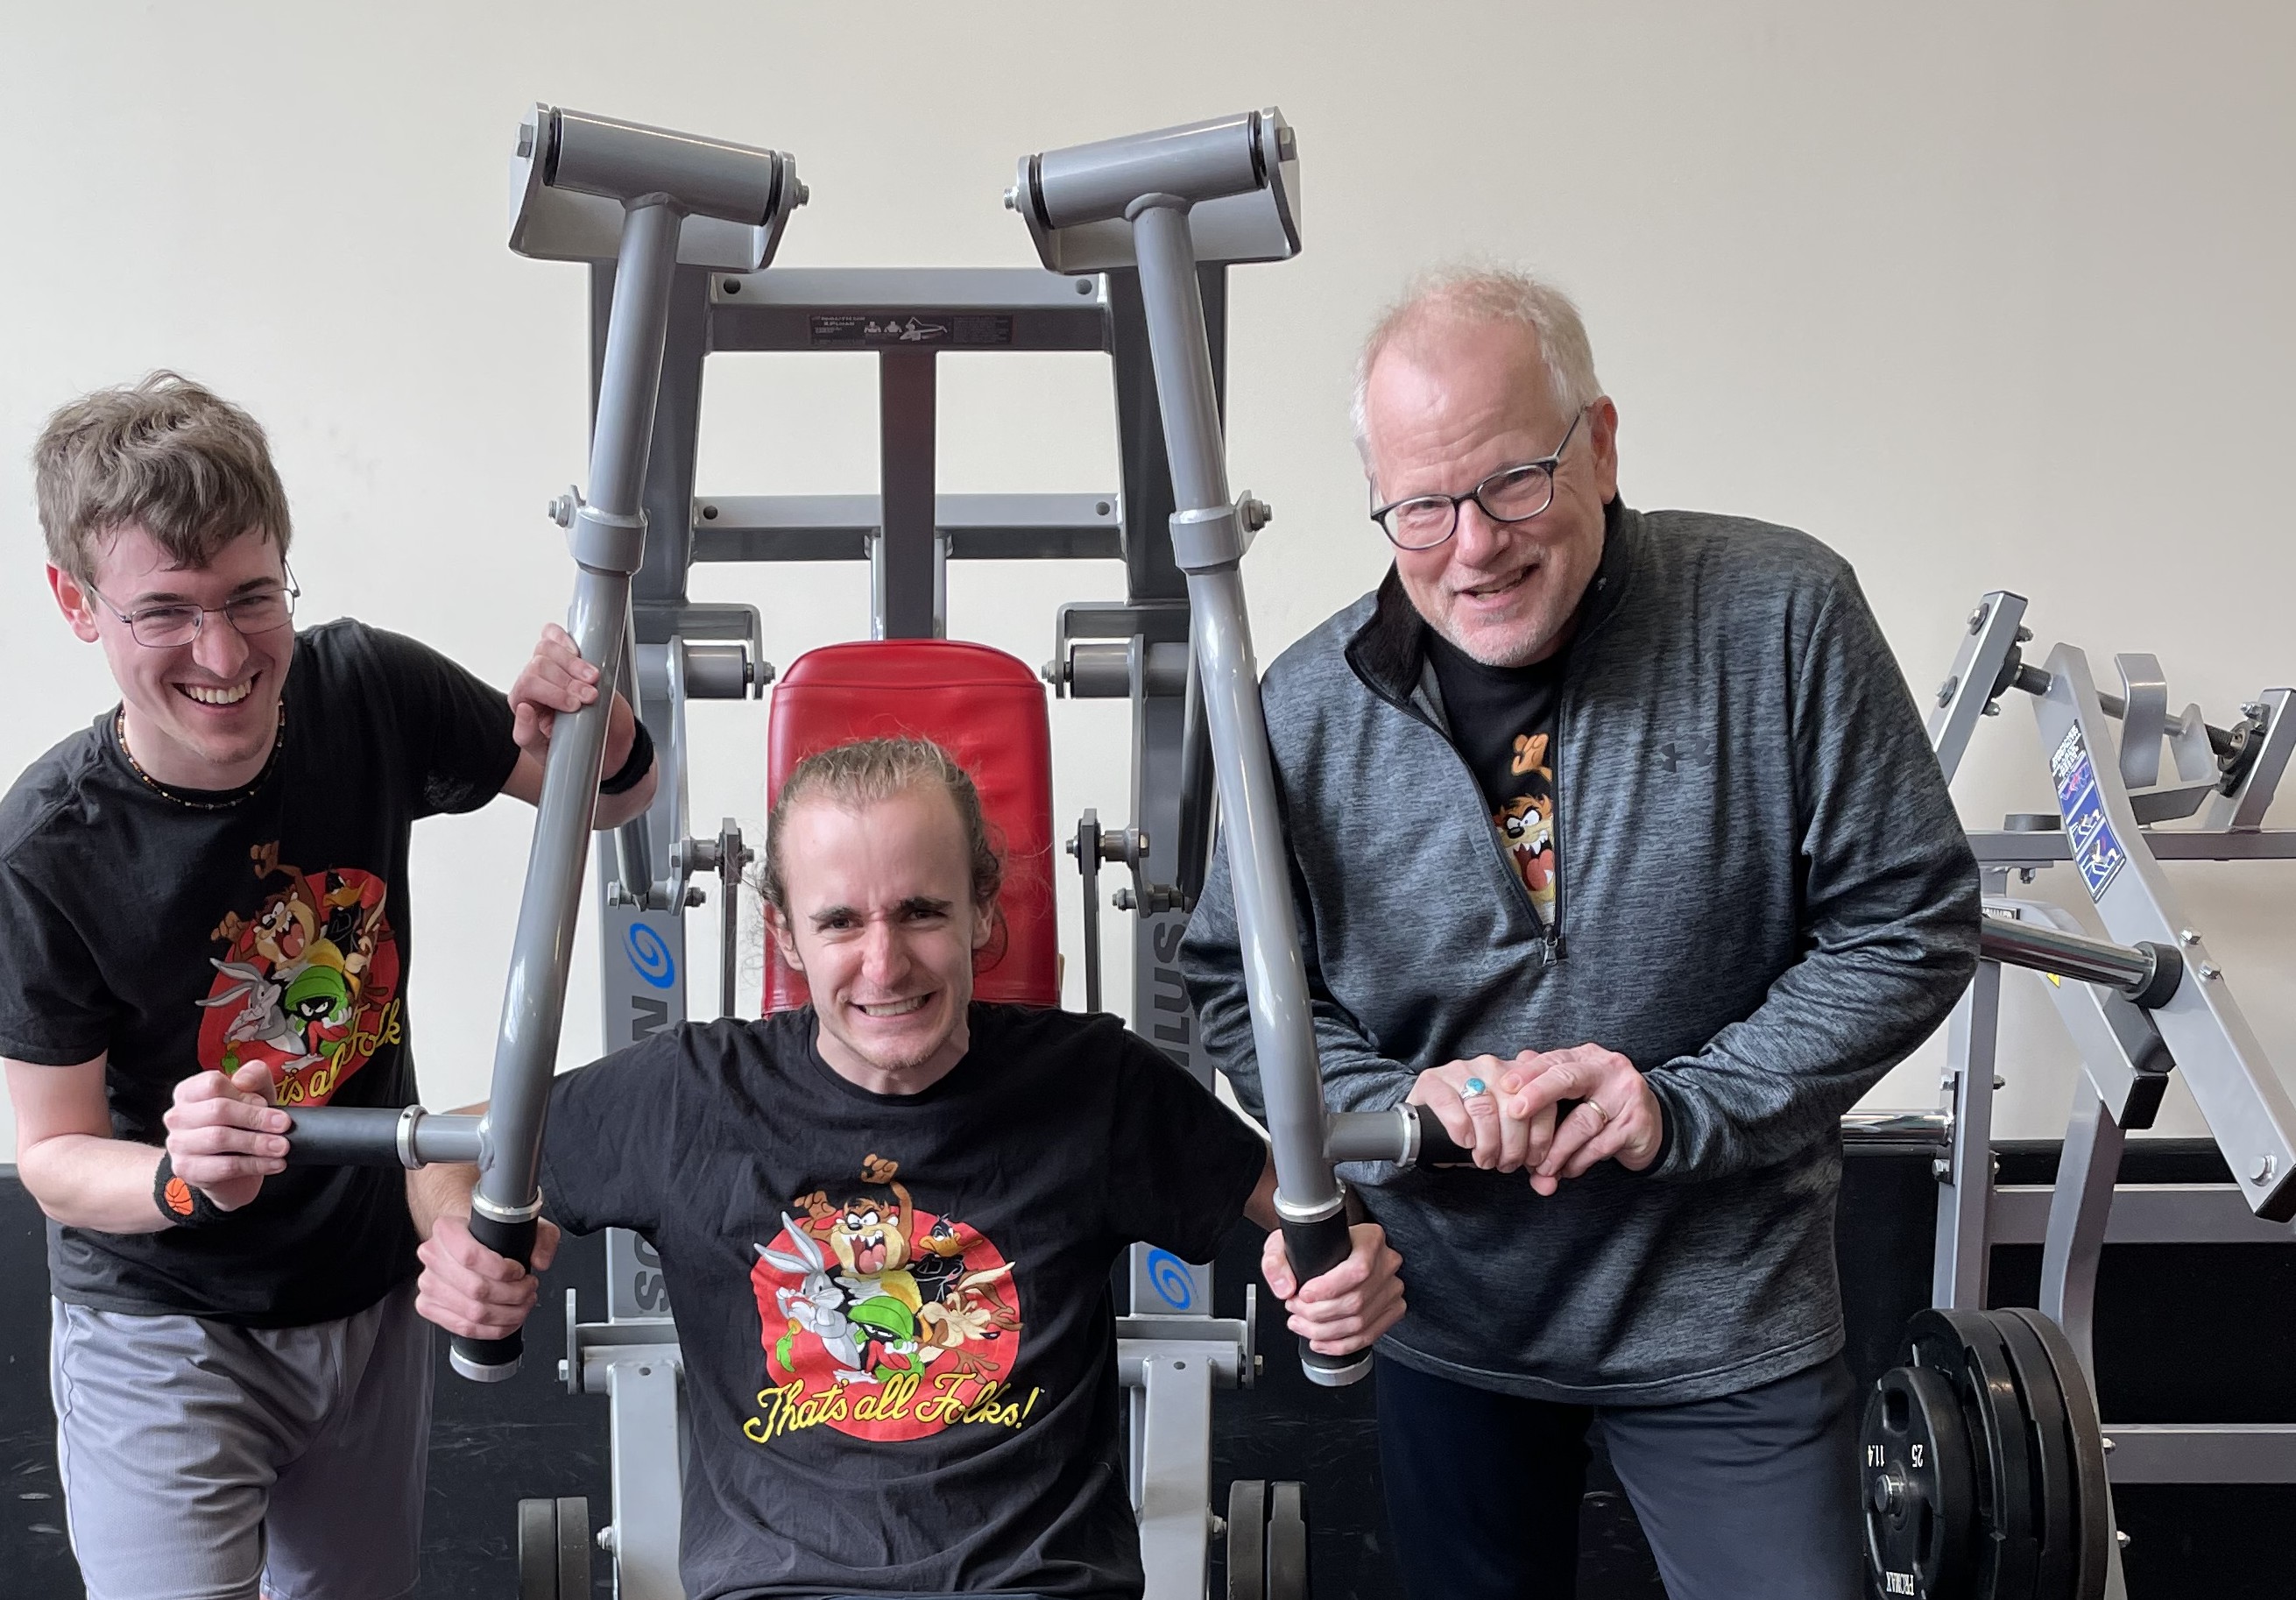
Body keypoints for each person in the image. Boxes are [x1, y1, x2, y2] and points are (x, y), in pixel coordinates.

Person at [1180, 267, 1981, 1598]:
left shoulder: (1781, 616)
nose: (1472, 544)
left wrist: (1678, 1105)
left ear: (1599, 443)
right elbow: (1234, 979)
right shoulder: (1307, 705)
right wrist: (1396, 1101)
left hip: (1723, 1302)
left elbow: (1907, 919)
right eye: (1421, 507)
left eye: (1510, 481)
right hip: (1452, 1307)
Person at [414, 736, 1404, 1600]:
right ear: (785, 935)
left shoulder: (1091, 1083)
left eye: (921, 911)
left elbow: (1311, 1204)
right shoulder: (691, 1094)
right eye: (840, 920)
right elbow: (451, 1148)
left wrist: (1335, 1261)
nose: (883, 965)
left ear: (981, 909)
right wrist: (459, 1242)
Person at [0, 372, 660, 1600]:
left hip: (364, 1299)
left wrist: (598, 737)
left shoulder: (363, 690)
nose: (223, 654)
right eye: (166, 612)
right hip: (164, 1319)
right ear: (76, 606)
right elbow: (50, 1154)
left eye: (253, 598)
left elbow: (605, 799)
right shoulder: (48, 847)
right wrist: (175, 1179)